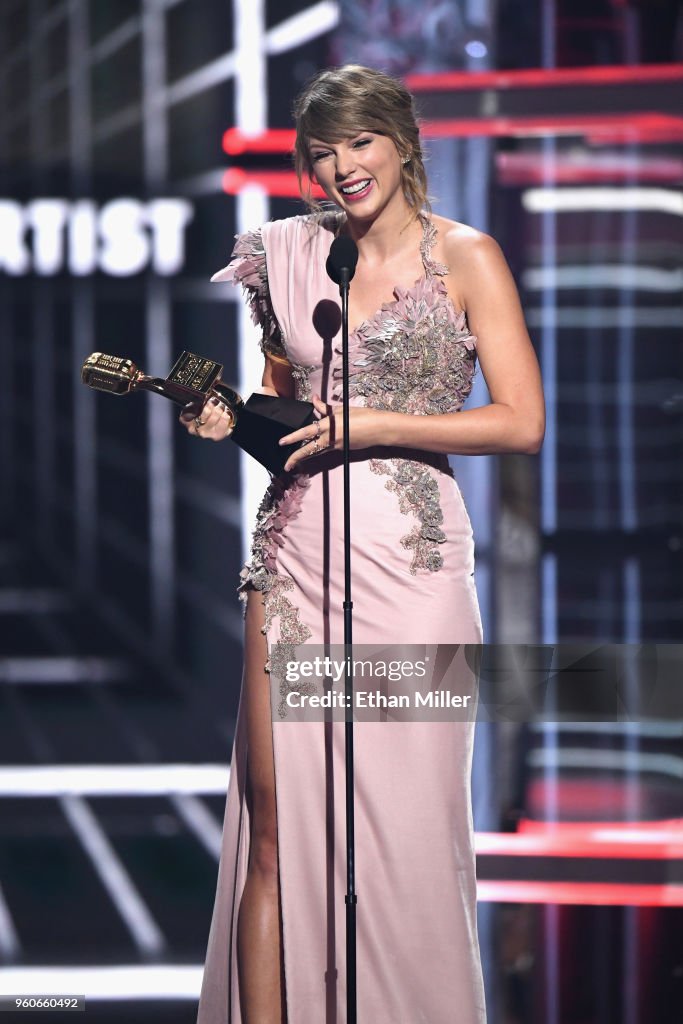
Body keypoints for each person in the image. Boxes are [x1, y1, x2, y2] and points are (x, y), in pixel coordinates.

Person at [185, 64, 544, 1024]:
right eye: (321, 153)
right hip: (297, 561)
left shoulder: (467, 258)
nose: (341, 167)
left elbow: (520, 422)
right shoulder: (287, 256)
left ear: (400, 141)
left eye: (358, 142)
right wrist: (233, 421)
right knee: (276, 830)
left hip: (415, 570)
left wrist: (376, 423)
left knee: (408, 835)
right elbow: (277, 406)